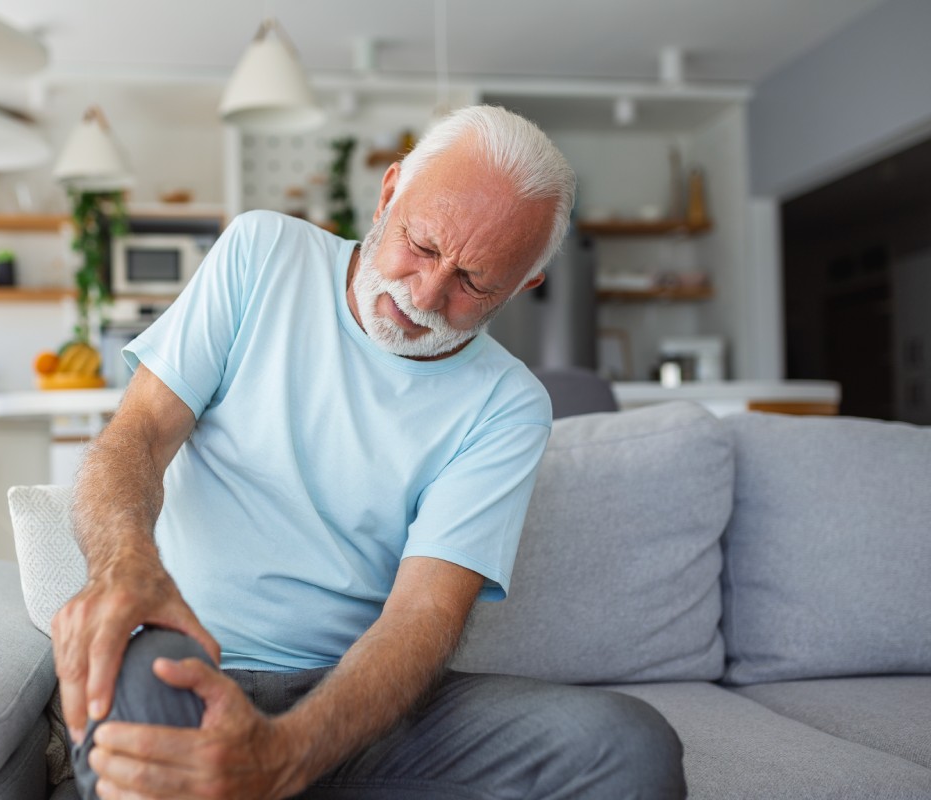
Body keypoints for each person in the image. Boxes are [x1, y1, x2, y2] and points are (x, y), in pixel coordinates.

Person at [52, 105, 686, 800]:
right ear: (388, 195)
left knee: (628, 747)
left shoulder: (508, 405)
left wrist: (286, 755)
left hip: (362, 705)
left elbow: (425, 615)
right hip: (193, 657)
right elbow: (137, 433)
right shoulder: (262, 254)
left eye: (475, 283)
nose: (426, 296)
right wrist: (124, 566)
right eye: (421, 245)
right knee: (138, 692)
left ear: (522, 286)